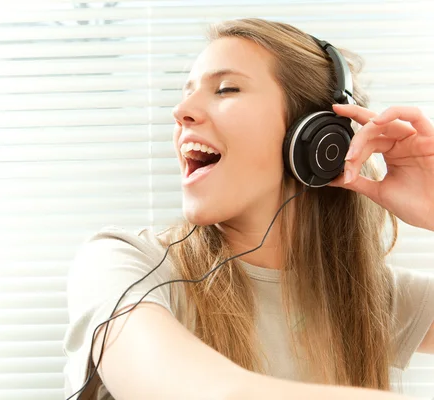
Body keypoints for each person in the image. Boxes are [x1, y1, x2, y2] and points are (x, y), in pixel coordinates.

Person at [62, 18, 434, 400]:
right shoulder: (121, 265)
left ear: (315, 136)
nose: (181, 111)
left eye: (225, 89)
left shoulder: (364, 294)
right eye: (185, 93)